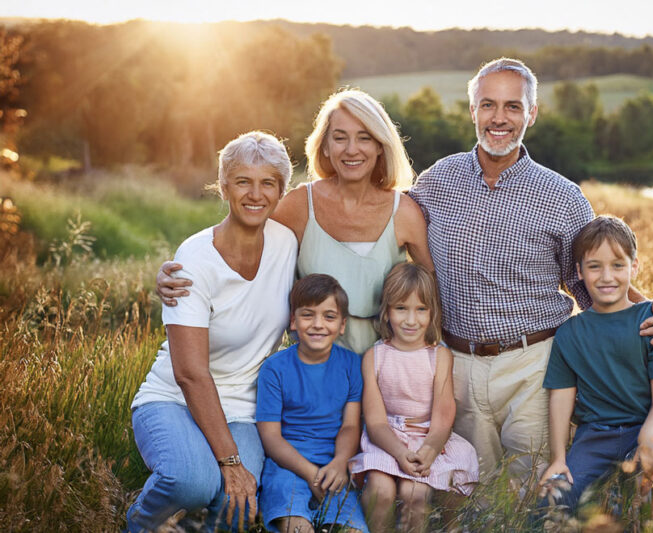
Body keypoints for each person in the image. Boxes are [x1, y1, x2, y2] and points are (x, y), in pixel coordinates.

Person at [407, 58, 653, 481]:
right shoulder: (436, 181)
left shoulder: (563, 197)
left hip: (535, 364)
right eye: (488, 105)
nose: (499, 118)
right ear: (473, 111)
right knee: (467, 492)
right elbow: (394, 229)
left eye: (513, 107)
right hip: (455, 364)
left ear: (531, 113)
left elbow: (593, 285)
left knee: (532, 491)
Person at [157, 89, 434, 356]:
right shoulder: (299, 206)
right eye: (340, 138)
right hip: (313, 375)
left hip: (386, 372)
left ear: (379, 146)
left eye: (364, 138)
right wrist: (184, 273)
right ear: (324, 146)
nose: (352, 150)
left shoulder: (404, 212)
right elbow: (240, 244)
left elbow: (432, 290)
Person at [126, 132, 297, 532]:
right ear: (223, 187)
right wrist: (231, 463)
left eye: (267, 182)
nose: (255, 194)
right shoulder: (194, 259)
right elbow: (190, 374)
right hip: (173, 398)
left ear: (281, 191)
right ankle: (141, 524)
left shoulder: (288, 244)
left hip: (243, 406)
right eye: (242, 181)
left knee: (237, 502)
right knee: (191, 482)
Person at [538, 215, 653, 511]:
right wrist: (558, 457)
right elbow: (561, 398)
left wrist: (648, 435)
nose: (607, 277)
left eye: (618, 265)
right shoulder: (570, 333)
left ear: (634, 267)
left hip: (651, 425)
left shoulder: (652, 322)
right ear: (578, 272)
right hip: (595, 435)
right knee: (553, 500)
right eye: (595, 266)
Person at [350, 263, 479, 532]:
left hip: (428, 439)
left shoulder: (440, 356)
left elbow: (443, 415)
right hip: (387, 440)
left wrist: (430, 450)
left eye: (421, 309)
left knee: (415, 495)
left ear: (432, 313)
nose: (411, 320)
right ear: (386, 312)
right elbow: (374, 422)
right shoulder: (374, 357)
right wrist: (399, 452)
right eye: (401, 309)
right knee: (381, 491)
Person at [256, 274, 367, 533]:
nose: (318, 324)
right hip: (288, 466)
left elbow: (350, 426)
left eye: (329, 317)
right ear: (293, 321)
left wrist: (340, 462)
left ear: (342, 325)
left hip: (334, 467)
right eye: (308, 315)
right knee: (298, 527)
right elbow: (270, 437)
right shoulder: (274, 369)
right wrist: (309, 473)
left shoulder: (351, 364)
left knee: (349, 529)